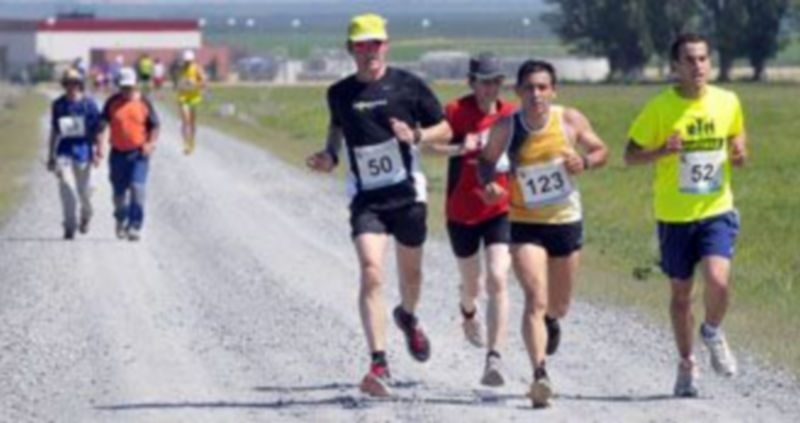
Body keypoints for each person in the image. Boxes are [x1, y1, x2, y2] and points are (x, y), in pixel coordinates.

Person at [305, 13, 452, 397]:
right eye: (361, 44)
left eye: (375, 43)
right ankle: (379, 362)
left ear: (386, 46)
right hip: (365, 197)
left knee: (412, 278)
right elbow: (336, 127)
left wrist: (417, 134)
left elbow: (447, 129)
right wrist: (329, 157)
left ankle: (408, 316)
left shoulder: (409, 86)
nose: (368, 51)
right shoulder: (339, 93)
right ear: (351, 49)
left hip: (407, 194)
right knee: (371, 271)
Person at [479, 60, 608, 407]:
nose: (536, 94)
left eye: (542, 87)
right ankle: (540, 375)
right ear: (518, 91)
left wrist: (586, 162)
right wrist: (490, 184)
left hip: (565, 220)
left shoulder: (569, 120)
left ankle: (552, 320)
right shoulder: (507, 126)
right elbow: (486, 161)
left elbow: (601, 150)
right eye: (529, 88)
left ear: (553, 90)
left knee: (559, 303)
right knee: (535, 297)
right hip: (524, 223)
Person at [624, 33, 746, 398]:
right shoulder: (660, 108)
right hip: (674, 216)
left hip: (716, 209)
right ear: (675, 67)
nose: (698, 66)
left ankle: (711, 330)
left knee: (718, 280)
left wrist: (740, 155)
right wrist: (662, 150)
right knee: (680, 295)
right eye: (689, 60)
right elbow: (630, 155)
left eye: (703, 58)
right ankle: (687, 363)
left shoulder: (728, 101)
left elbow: (739, 144)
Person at [424, 51, 515, 386]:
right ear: (471, 82)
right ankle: (467, 312)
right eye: (483, 82)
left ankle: (495, 358)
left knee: (497, 279)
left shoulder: (510, 115)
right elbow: (427, 147)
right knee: (472, 285)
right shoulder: (456, 111)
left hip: (500, 210)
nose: (489, 89)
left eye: (495, 82)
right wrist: (461, 147)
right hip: (462, 212)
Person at [95, 67, 160, 242]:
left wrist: (150, 144)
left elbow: (154, 125)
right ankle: (120, 217)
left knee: (137, 188)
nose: (126, 91)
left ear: (136, 85)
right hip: (117, 154)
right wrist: (99, 147)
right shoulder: (112, 102)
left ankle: (135, 225)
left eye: (129, 87)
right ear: (119, 86)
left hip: (138, 154)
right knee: (119, 193)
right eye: (123, 87)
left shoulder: (144, 103)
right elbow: (101, 126)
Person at [47, 68, 102, 239]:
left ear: (80, 84)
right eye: (68, 83)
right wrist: (51, 155)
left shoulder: (89, 104)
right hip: (64, 151)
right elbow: (55, 131)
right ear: (64, 85)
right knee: (66, 189)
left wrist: (98, 150)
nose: (72, 86)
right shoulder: (58, 105)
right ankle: (69, 226)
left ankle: (86, 216)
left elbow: (98, 129)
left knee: (84, 193)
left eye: (75, 83)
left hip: (84, 152)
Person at [176, 49, 206, 155]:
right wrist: (180, 84)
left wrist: (195, 83)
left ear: (192, 60)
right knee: (186, 120)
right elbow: (177, 81)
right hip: (183, 97)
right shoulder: (180, 69)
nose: (187, 63)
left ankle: (192, 142)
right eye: (185, 61)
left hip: (194, 97)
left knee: (192, 122)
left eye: (189, 61)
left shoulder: (197, 68)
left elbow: (204, 81)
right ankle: (186, 144)